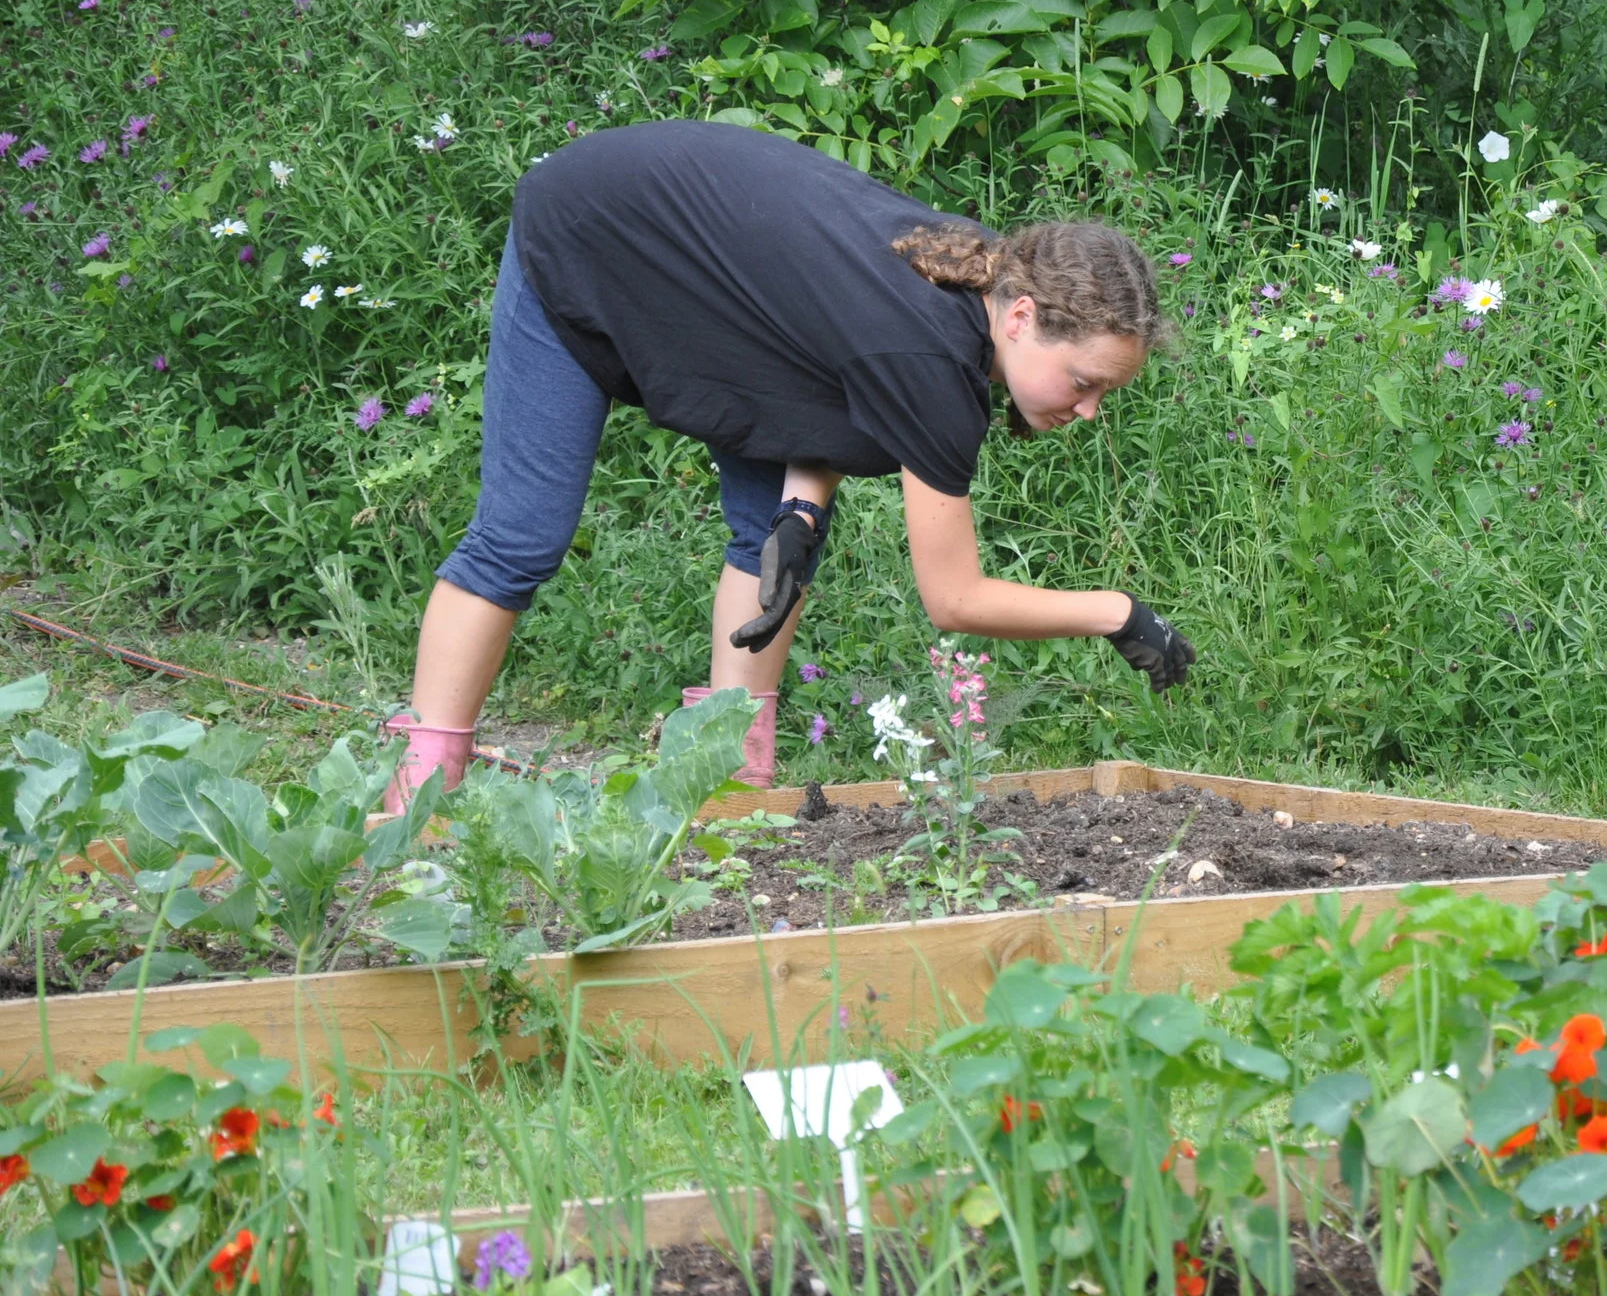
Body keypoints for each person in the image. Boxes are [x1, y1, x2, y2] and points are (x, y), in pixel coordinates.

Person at [381, 119, 1195, 813]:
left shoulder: (967, 280)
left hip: (700, 276)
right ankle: (420, 796)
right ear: (1022, 316)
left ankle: (729, 789)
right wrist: (1117, 612)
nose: (1089, 409)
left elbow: (824, 361)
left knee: (772, 536)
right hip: (588, 233)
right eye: (1084, 382)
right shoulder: (929, 351)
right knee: (522, 537)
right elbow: (954, 598)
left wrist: (801, 504)